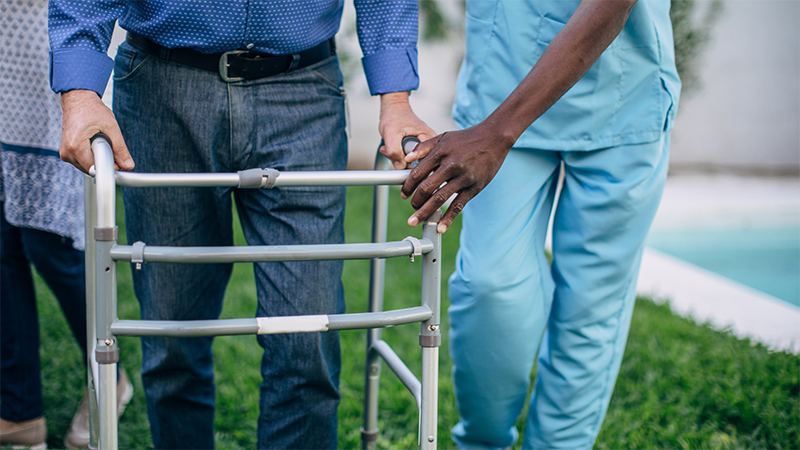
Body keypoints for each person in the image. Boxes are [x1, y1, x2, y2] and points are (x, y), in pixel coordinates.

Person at [49, 1, 434, 449]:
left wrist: (396, 97)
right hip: (161, 86)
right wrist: (79, 92)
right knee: (172, 338)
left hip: (302, 89)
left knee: (306, 341)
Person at [394, 0, 681, 448]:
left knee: (590, 309)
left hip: (626, 94)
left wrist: (499, 132)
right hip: (500, 85)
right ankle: (483, 441)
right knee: (490, 286)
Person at [0, 1, 133, 449]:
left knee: (51, 246)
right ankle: (19, 412)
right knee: (3, 246)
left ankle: (109, 374)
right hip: (5, 61)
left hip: (50, 66)